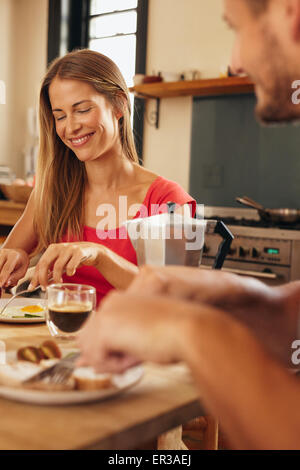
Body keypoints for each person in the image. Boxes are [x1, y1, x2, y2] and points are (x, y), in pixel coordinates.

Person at [76, 0, 300, 449]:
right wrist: (243, 298)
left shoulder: (164, 193)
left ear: (291, 13)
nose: (234, 61)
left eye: (236, 28)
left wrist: (193, 331)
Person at [0, 49, 195, 305]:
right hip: (62, 341)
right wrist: (12, 259)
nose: (70, 127)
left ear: (119, 104)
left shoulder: (166, 200)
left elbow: (174, 301)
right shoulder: (52, 192)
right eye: (60, 116)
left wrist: (99, 255)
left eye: (82, 110)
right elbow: (7, 264)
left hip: (135, 342)